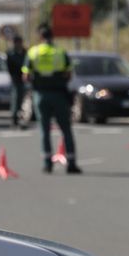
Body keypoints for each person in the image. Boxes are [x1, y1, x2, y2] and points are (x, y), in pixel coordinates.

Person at [24, 23, 80, 174]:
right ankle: (71, 163)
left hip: (41, 95)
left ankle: (47, 163)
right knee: (66, 129)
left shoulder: (33, 52)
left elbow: (26, 75)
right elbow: (69, 74)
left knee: (44, 130)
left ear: (40, 37)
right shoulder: (60, 52)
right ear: (52, 36)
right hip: (59, 94)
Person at [5, 33, 29, 128]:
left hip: (25, 79)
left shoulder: (25, 52)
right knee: (16, 98)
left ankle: (21, 117)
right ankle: (14, 118)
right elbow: (9, 67)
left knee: (23, 99)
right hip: (16, 79)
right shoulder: (10, 53)